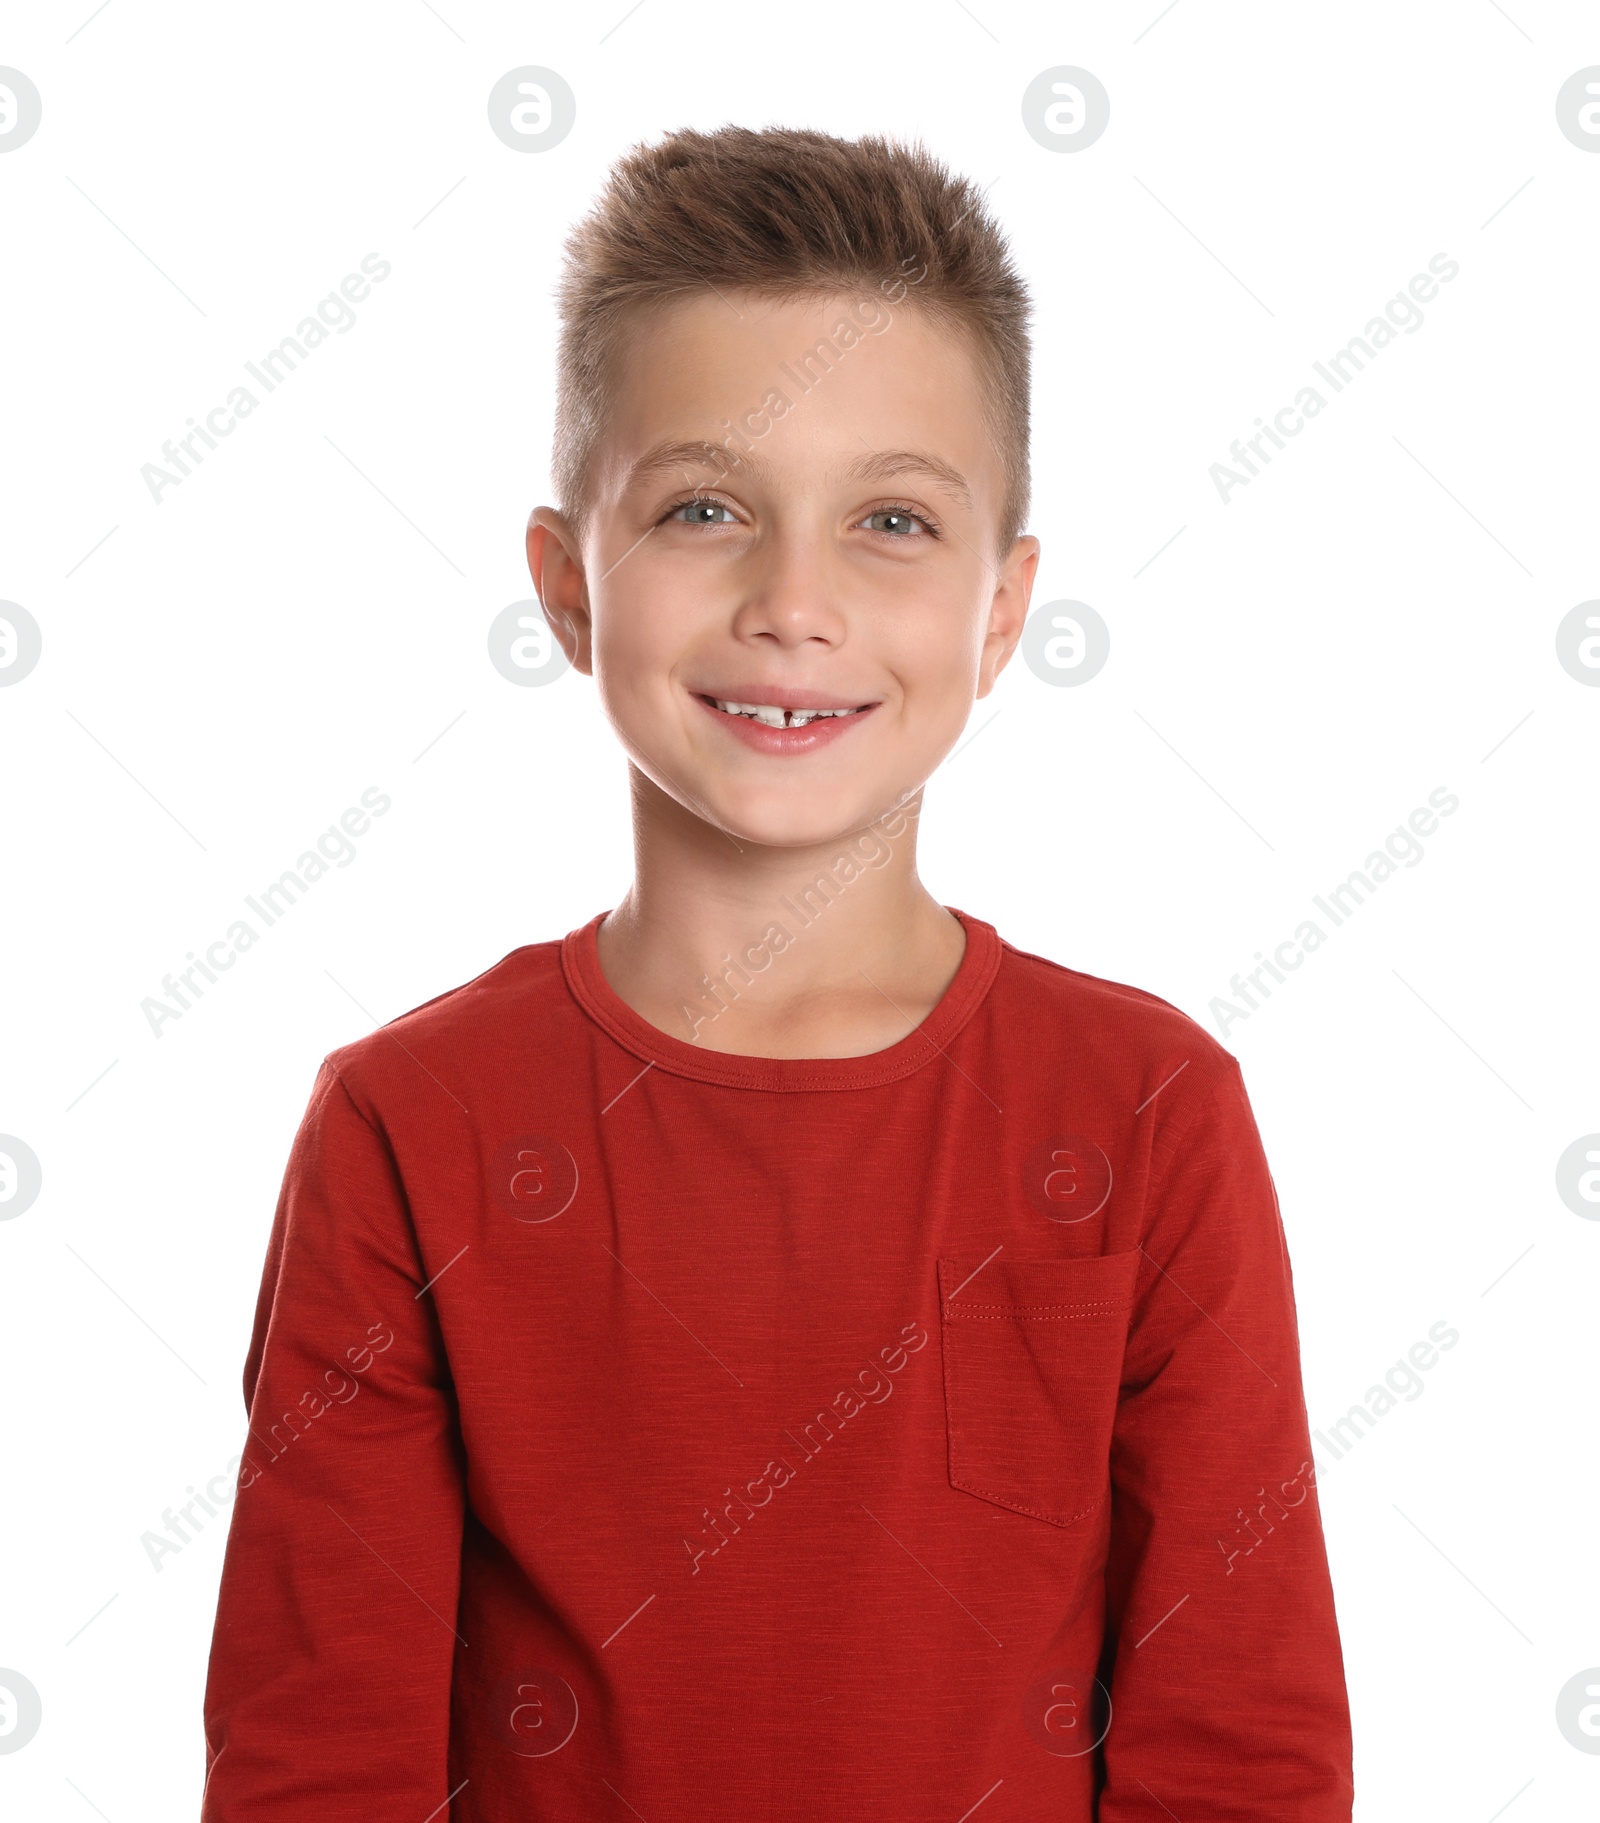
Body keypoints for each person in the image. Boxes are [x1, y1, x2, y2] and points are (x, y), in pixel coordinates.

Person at [199, 125, 1353, 1820]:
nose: (793, 601)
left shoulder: (1151, 1113)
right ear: (567, 588)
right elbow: (319, 1761)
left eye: (891, 518)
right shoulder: (408, 1124)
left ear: (1005, 609)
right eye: (705, 507)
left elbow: (1238, 1751)